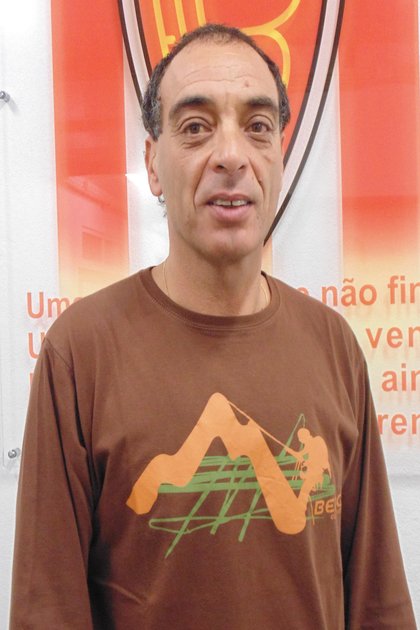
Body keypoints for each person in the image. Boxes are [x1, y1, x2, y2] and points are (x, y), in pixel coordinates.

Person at [10, 23, 416, 629]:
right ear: (152, 163)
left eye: (257, 127)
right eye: (196, 127)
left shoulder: (334, 344)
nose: (231, 155)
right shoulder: (80, 352)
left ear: (279, 156)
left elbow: (377, 601)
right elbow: (47, 611)